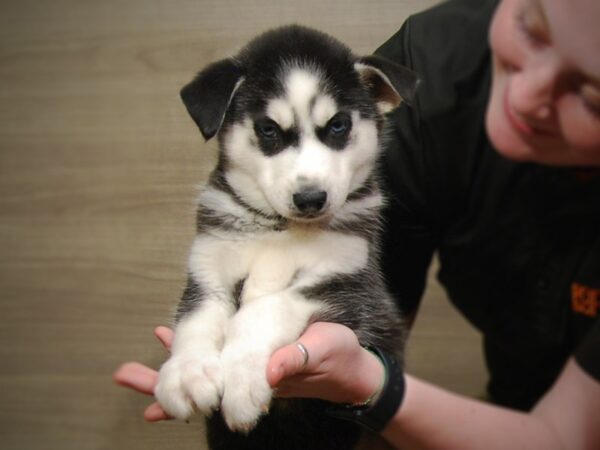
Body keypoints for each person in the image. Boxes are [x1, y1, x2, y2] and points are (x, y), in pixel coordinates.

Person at [114, 0, 600, 447]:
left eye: (593, 97)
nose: (525, 94)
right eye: (531, 28)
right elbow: (376, 320)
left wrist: (365, 383)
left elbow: (564, 437)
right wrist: (200, 350)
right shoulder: (436, 68)